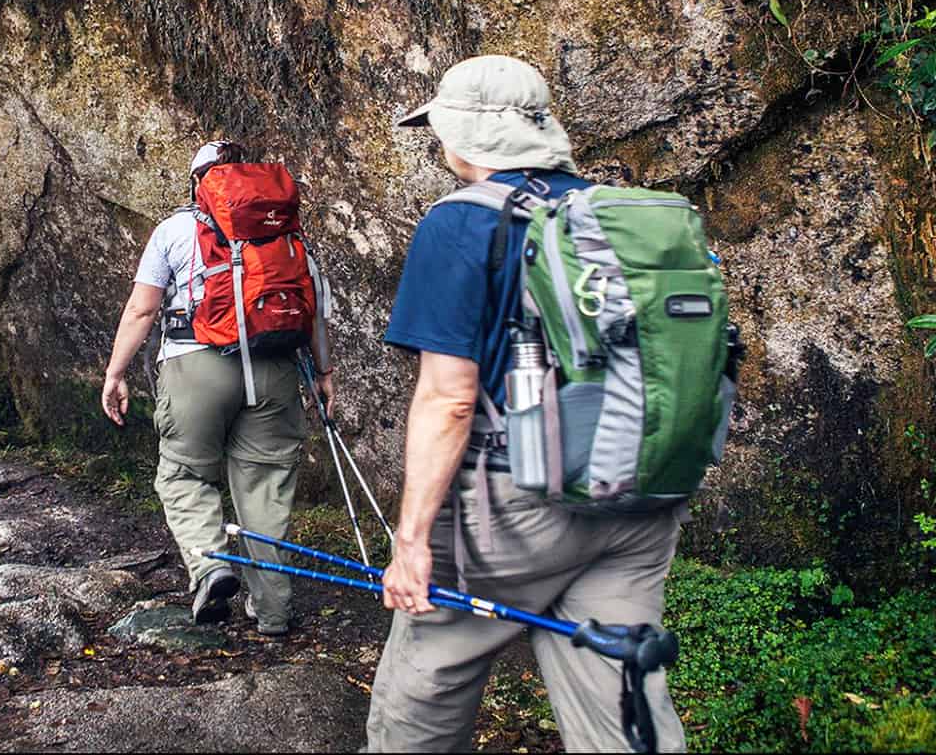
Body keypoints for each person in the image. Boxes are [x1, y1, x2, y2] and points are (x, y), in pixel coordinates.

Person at [364, 55, 687, 753]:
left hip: (517, 506)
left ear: (466, 135)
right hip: (640, 495)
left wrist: (412, 539)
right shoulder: (619, 214)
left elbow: (449, 399)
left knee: (425, 678)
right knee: (620, 688)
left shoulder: (462, 222)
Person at [99, 141, 335, 635]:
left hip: (196, 364)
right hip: (275, 371)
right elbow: (313, 314)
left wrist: (115, 374)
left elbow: (142, 310)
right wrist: (325, 375)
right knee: (266, 489)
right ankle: (272, 612)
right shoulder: (288, 232)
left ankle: (211, 567)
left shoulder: (174, 230)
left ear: (196, 182)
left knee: (185, 474)